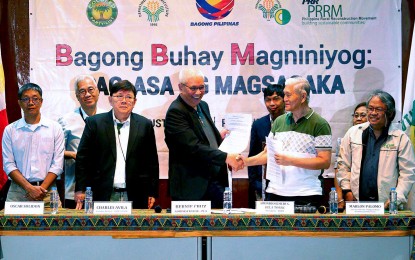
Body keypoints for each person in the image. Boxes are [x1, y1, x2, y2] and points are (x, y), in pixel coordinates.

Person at [241, 76, 332, 207]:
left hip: (306, 194)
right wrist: (245, 162)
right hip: (275, 193)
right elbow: (268, 154)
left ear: (303, 96)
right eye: (284, 95)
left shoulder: (320, 124)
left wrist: (290, 160)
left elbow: (324, 161)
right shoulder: (278, 122)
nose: (285, 99)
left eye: (288, 95)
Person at [165, 67, 244, 208]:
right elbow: (192, 147)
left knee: (218, 229)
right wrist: (225, 157)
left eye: (201, 87)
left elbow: (202, 138)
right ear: (180, 88)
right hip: (191, 188)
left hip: (214, 182)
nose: (198, 92)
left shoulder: (203, 106)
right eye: (193, 88)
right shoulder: (176, 112)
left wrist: (217, 138)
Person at [75, 80, 159, 209]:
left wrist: (152, 192)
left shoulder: (144, 125)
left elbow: (152, 161)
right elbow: (83, 158)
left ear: (134, 102)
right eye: (119, 96)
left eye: (129, 97)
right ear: (110, 100)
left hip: (135, 193)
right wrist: (80, 189)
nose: (124, 100)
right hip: (102, 193)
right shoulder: (94, 123)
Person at [337, 90, 415, 208]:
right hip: (357, 204)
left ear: (389, 112)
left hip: (387, 206)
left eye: (378, 109)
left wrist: (396, 198)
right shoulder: (353, 133)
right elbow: (343, 165)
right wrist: (347, 190)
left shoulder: (400, 138)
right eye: (370, 108)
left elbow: (407, 173)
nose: (373, 113)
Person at [2, 83, 64, 205]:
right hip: (18, 192)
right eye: (26, 99)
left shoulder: (55, 128)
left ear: (41, 101)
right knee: (12, 224)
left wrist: (40, 190)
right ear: (19, 102)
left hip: (48, 192)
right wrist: (29, 188)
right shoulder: (10, 130)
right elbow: (8, 165)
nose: (30, 102)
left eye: (35, 98)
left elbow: (57, 164)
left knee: (53, 224)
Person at [58, 75, 105, 208]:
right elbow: (55, 152)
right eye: (82, 91)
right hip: (74, 188)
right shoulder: (66, 120)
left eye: (91, 89)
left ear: (98, 92)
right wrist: (74, 155)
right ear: (77, 96)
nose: (87, 94)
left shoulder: (108, 117)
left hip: (103, 189)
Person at [248, 83, 285, 208]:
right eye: (268, 100)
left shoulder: (292, 122)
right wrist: (255, 184)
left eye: (276, 99)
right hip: (262, 185)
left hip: (286, 184)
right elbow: (253, 155)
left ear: (284, 99)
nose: (272, 103)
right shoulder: (258, 124)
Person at [333, 102, 367, 210]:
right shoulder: (343, 141)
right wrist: (341, 198)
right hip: (350, 192)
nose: (358, 118)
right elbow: (338, 170)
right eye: (356, 115)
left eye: (362, 115)